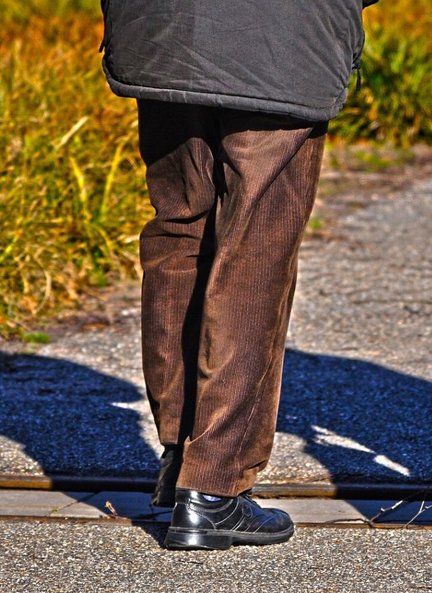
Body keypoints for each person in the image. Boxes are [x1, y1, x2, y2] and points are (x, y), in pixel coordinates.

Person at [100, 1, 374, 550]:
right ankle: (212, 487)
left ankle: (180, 458)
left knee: (180, 232)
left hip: (161, 29)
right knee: (256, 252)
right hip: (281, 42)